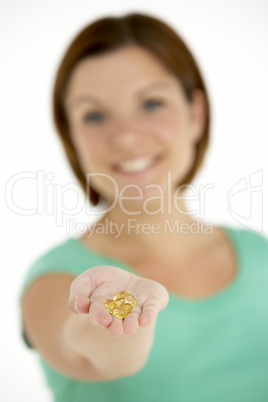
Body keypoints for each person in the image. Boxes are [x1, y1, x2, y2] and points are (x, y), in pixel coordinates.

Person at [20, 12, 268, 402]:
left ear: (196, 113)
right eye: (95, 115)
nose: (126, 136)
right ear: (72, 137)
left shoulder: (260, 254)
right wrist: (118, 311)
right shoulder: (57, 283)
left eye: (152, 103)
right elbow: (98, 352)